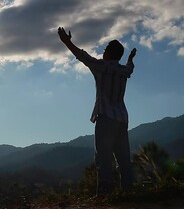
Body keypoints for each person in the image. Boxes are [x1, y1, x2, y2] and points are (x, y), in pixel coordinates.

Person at [57, 27, 136, 195]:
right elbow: (130, 68)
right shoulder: (123, 71)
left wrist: (66, 41)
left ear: (110, 53)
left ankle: (105, 194)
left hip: (106, 118)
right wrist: (130, 59)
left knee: (104, 158)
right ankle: (128, 192)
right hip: (122, 119)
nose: (104, 51)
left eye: (106, 49)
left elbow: (82, 56)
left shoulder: (101, 67)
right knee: (123, 158)